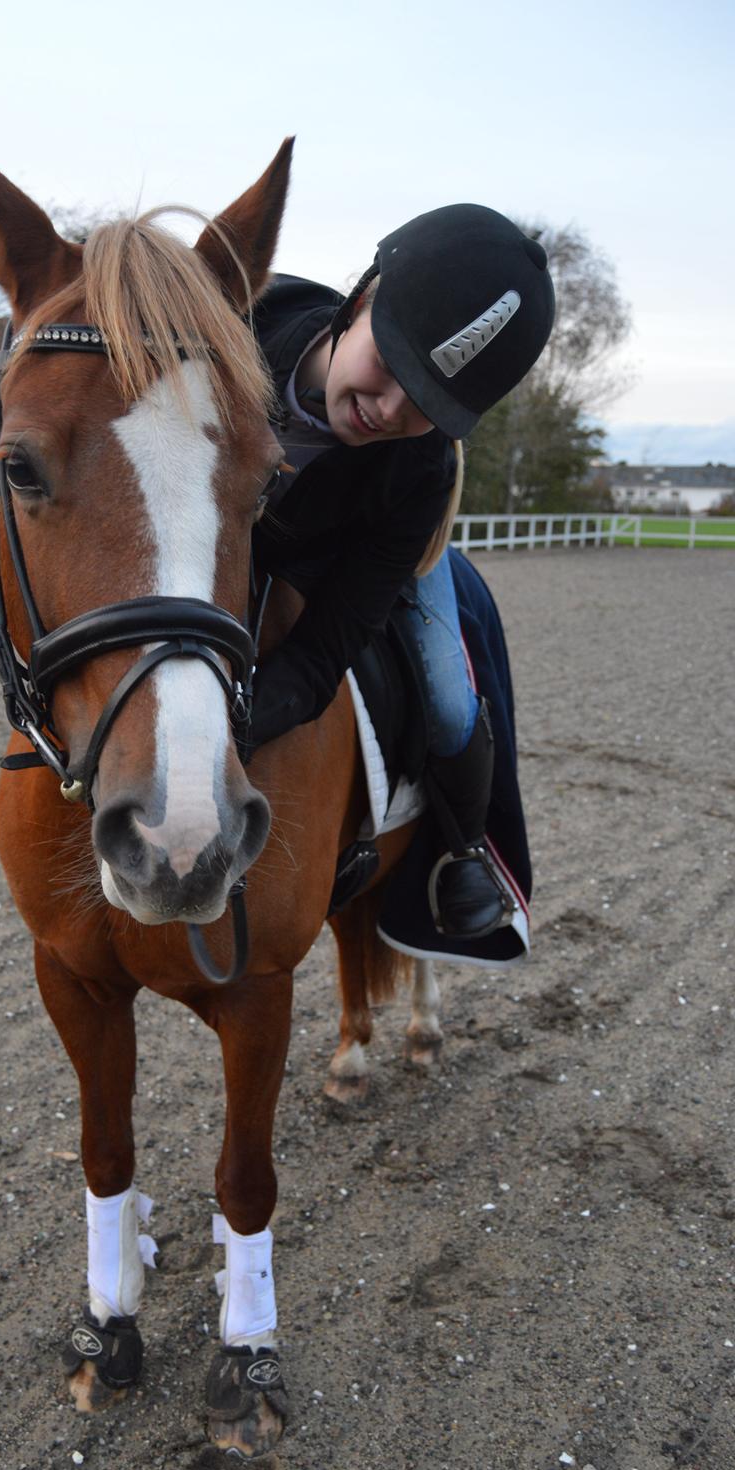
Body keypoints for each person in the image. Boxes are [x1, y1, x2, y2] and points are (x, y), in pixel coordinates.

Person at [248, 203, 555, 939]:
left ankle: (464, 850)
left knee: (449, 697)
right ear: (356, 305)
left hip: (364, 557)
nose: (387, 410)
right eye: (387, 366)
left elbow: (334, 637)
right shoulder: (239, 324)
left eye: (425, 405)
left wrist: (243, 719)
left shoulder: (417, 464)